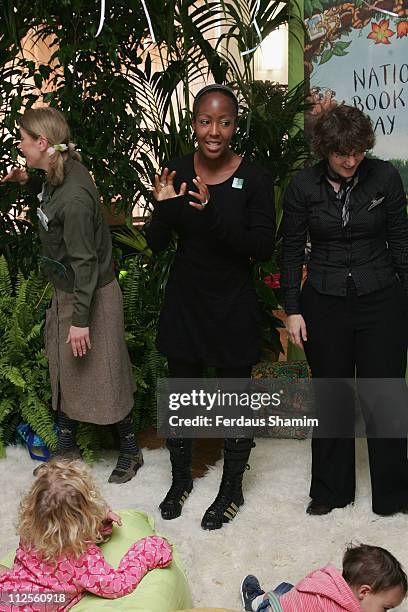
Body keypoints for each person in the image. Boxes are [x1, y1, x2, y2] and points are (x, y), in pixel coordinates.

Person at [145, 84, 276, 530]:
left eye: (224, 122)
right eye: (205, 121)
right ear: (195, 123)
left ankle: (231, 488)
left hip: (233, 303)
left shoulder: (255, 178)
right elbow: (156, 243)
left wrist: (212, 214)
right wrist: (162, 210)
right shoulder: (178, 170)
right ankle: (180, 480)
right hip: (187, 299)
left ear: (235, 125)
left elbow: (261, 247)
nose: (214, 131)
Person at [2, 107, 142, 483]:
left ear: (43, 143)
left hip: (90, 294)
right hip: (70, 291)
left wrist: (81, 320)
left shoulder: (76, 197)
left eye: (24, 140)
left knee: (106, 372)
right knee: (64, 369)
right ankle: (66, 446)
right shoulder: (56, 171)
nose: (20, 145)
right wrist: (25, 182)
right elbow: (50, 200)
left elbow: (85, 263)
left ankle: (130, 450)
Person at [281, 104, 408, 516]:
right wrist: (292, 309)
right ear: (325, 151)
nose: (351, 160)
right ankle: (331, 492)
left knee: (384, 395)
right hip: (324, 298)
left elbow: (402, 242)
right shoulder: (302, 186)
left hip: (381, 298)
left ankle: (394, 495)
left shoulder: (386, 177)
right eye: (341, 154)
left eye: (357, 151)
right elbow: (289, 251)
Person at [0, 460, 172, 611]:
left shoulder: (30, 531)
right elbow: (116, 586)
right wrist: (150, 549)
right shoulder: (82, 559)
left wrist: (100, 520)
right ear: (84, 518)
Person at [241, 543, 407, 611]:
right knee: (279, 599)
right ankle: (254, 600)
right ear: (364, 592)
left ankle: (268, 598)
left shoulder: (333, 582)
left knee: (287, 589)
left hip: (290, 600)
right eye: (385, 608)